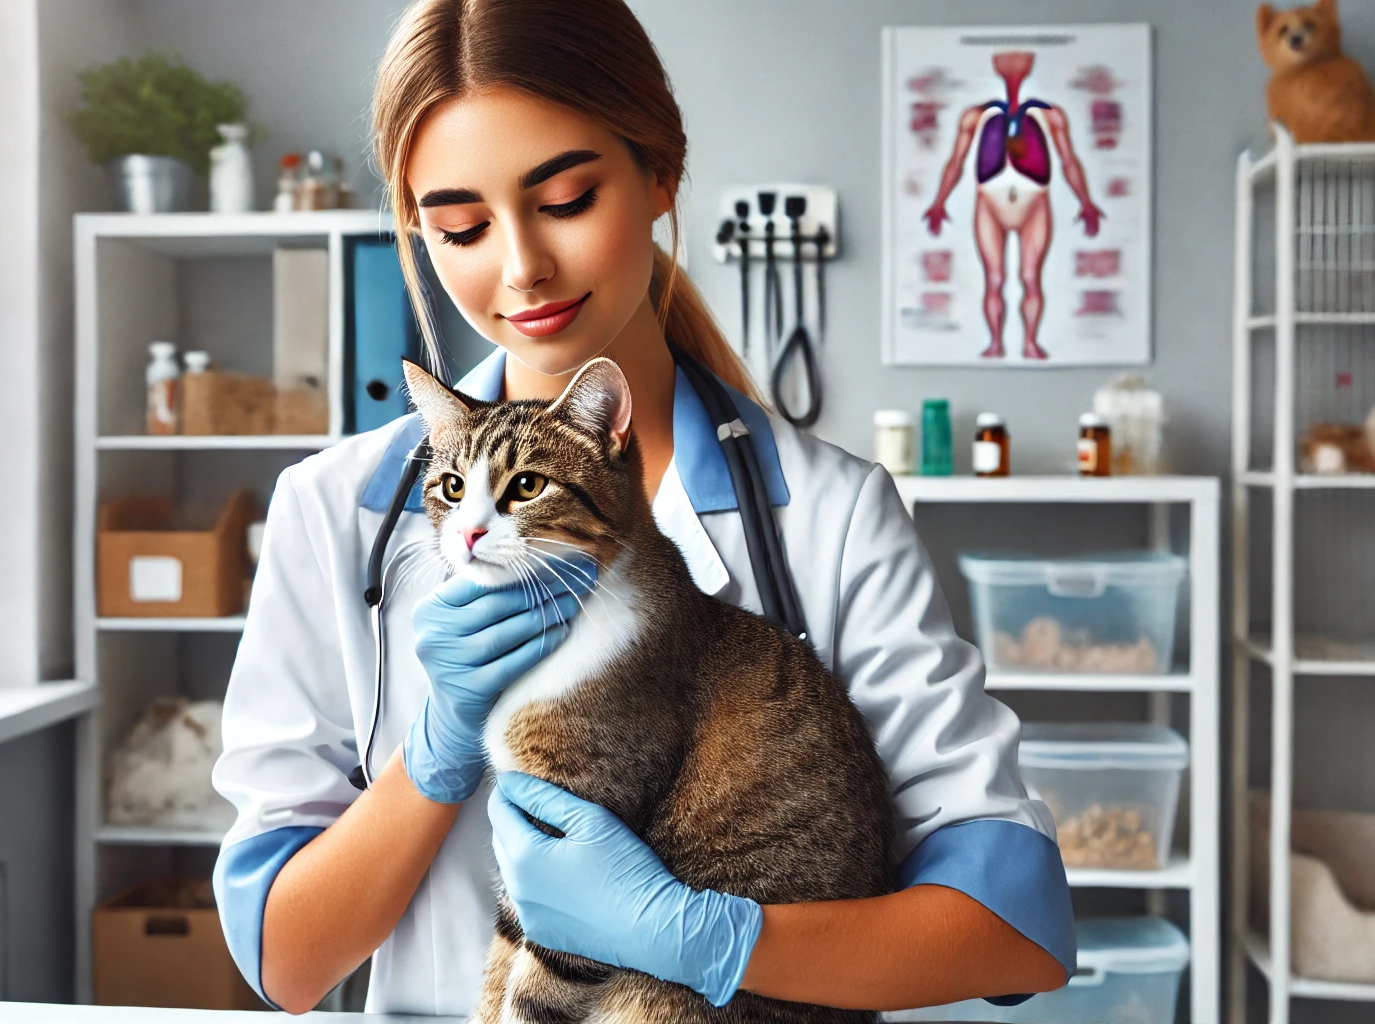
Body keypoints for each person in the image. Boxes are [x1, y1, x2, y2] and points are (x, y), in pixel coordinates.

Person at [212, 0, 1074, 1016]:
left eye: (567, 198)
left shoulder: (830, 515)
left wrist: (700, 934)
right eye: (460, 226)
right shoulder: (335, 512)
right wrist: (436, 752)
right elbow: (283, 961)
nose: (521, 266)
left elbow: (1012, 935)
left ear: (660, 172)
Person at [921, 51, 1105, 361]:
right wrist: (939, 202)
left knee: (1031, 278)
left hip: (1035, 202)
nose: (1013, 66)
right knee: (994, 278)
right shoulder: (976, 115)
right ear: (995, 66)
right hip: (989, 203)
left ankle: (1030, 343)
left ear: (1030, 66)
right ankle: (996, 343)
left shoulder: (1050, 115)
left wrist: (1085, 201)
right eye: (1006, 61)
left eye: (1021, 61)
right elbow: (956, 162)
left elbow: (1069, 161)